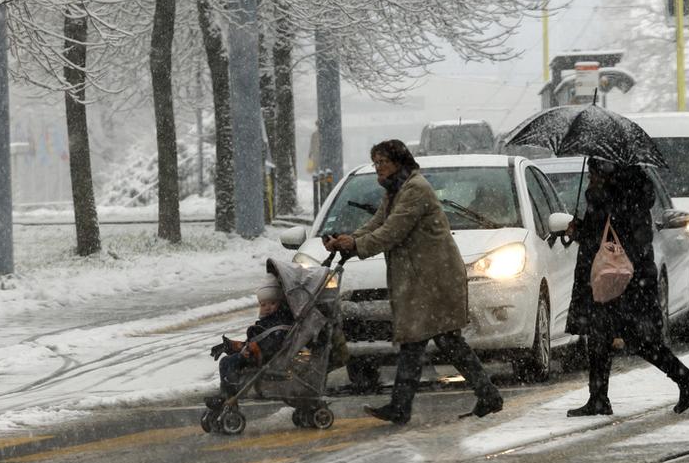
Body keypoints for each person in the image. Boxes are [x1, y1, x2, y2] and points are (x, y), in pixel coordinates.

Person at [323, 139, 502, 425]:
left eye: (382, 162)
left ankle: (403, 406)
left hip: (434, 279)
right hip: (423, 279)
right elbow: (376, 224)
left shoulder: (415, 190)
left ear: (398, 162)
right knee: (436, 341)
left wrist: (356, 246)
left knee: (424, 340)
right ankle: (483, 394)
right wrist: (349, 239)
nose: (378, 168)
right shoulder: (396, 192)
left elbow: (392, 232)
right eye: (375, 163)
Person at [565, 159, 689, 417]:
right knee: (600, 336)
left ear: (604, 172)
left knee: (636, 339)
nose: (589, 178)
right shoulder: (631, 190)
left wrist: (581, 229)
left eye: (592, 173)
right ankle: (598, 398)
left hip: (618, 278)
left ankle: (686, 379)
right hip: (628, 276)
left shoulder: (613, 195)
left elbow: (605, 234)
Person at [206, 274, 294, 410]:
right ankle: (226, 395)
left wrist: (252, 350)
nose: (267, 307)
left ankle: (229, 397)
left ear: (280, 302)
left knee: (229, 362)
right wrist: (231, 345)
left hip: (266, 358)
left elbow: (272, 344)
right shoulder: (265, 322)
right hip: (256, 353)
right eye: (263, 304)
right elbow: (253, 341)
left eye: (272, 303)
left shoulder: (280, 323)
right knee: (226, 361)